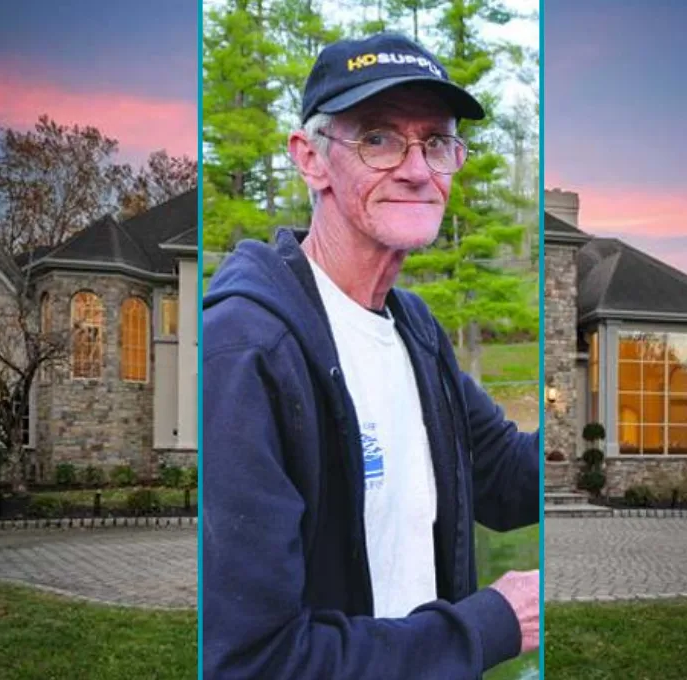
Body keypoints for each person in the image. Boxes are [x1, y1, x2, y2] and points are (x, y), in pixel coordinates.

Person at [201, 32, 542, 679]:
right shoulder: (247, 351)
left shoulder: (413, 327)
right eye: (379, 137)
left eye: (436, 141)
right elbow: (257, 661)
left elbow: (501, 478)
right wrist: (491, 622)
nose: (417, 169)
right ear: (311, 159)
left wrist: (595, 438)